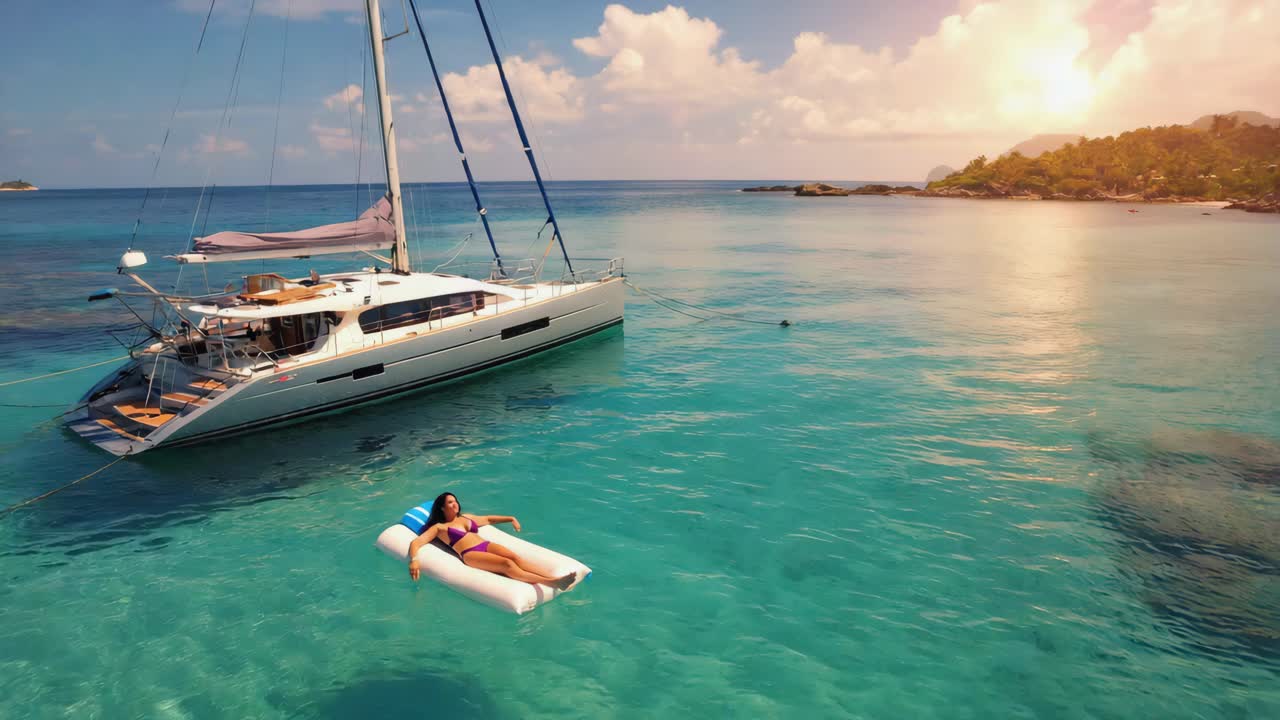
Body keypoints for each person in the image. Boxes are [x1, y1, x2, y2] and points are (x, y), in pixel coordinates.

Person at [407, 492, 578, 590]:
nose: (455, 504)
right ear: (442, 508)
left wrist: (511, 518)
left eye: (455, 501)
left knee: (515, 558)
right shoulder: (439, 528)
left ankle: (556, 577)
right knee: (506, 564)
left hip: (485, 545)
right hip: (470, 554)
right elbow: (417, 542)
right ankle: (553, 583)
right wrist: (414, 561)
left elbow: (488, 519)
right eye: (450, 502)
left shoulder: (466, 518)